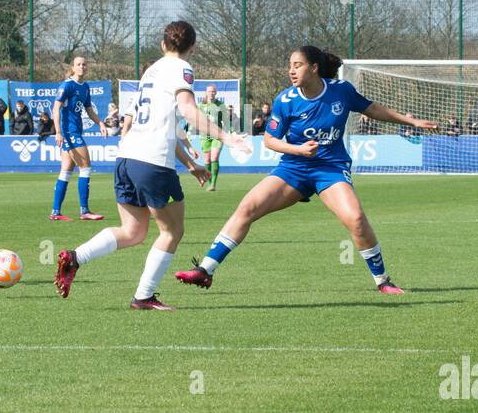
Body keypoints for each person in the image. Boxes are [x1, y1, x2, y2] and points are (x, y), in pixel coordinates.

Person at [175, 46, 437, 296]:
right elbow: (269, 140)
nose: (292, 70)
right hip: (293, 168)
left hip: (330, 169)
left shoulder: (341, 91)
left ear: (314, 68)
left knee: (356, 218)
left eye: (297, 65)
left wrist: (411, 120)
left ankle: (383, 281)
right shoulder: (285, 100)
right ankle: (205, 270)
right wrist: (298, 150)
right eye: (290, 66)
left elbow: (372, 108)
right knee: (247, 208)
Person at [54, 21, 249, 310]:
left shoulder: (151, 71)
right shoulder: (181, 69)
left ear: (162, 44)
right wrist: (225, 136)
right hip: (153, 164)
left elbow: (160, 125)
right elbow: (186, 111)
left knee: (133, 231)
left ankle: (74, 258)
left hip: (127, 158)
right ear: (192, 47)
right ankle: (143, 296)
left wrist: (190, 163)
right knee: (172, 231)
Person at [49, 56, 106, 221]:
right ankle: (85, 210)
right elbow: (56, 109)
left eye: (84, 64)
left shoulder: (85, 87)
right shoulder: (67, 85)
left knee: (66, 172)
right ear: (73, 68)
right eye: (78, 64)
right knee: (86, 167)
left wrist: (100, 123)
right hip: (69, 132)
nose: (82, 67)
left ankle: (55, 212)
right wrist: (58, 132)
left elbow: (89, 110)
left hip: (75, 131)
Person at [196, 85, 226, 191]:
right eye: (209, 91)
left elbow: (226, 121)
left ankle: (213, 184)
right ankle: (209, 182)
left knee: (214, 157)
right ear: (206, 92)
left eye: (213, 91)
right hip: (205, 136)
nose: (211, 93)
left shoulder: (221, 105)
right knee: (207, 160)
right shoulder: (200, 106)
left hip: (217, 135)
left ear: (216, 93)